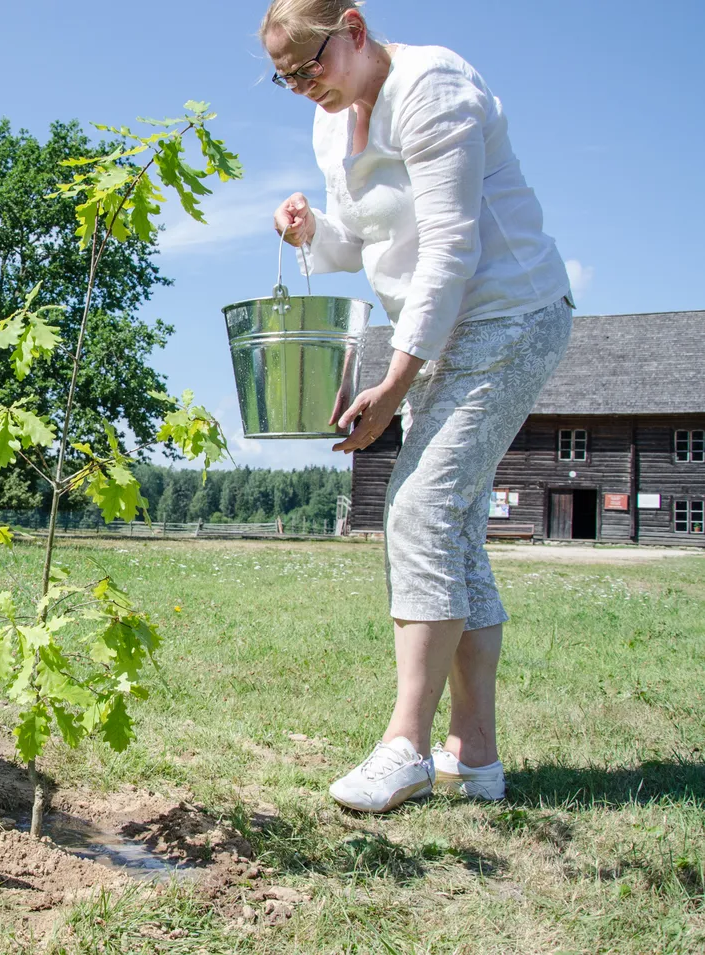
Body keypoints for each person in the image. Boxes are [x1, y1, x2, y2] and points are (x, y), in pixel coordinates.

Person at [262, 0, 573, 812]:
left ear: (355, 28)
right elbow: (365, 239)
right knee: (455, 525)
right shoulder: (336, 122)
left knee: (420, 508)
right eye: (285, 77)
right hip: (439, 329)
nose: (302, 87)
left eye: (311, 65)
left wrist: (393, 380)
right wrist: (308, 231)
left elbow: (450, 250)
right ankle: (474, 757)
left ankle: (405, 744)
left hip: (507, 315)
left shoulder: (435, 88)